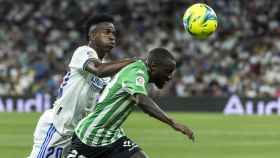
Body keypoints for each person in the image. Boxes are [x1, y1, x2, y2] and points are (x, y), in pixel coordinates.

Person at [28, 14, 137, 158]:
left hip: (78, 133)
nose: (112, 37)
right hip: (59, 127)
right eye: (107, 32)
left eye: (113, 33)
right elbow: (98, 70)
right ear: (92, 35)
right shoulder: (83, 52)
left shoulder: (108, 68)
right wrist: (133, 61)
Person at [66, 48, 195, 158]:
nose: (170, 76)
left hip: (112, 136)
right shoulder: (137, 72)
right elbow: (142, 100)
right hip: (90, 138)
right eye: (168, 71)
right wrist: (173, 123)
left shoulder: (139, 70)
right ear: (153, 66)